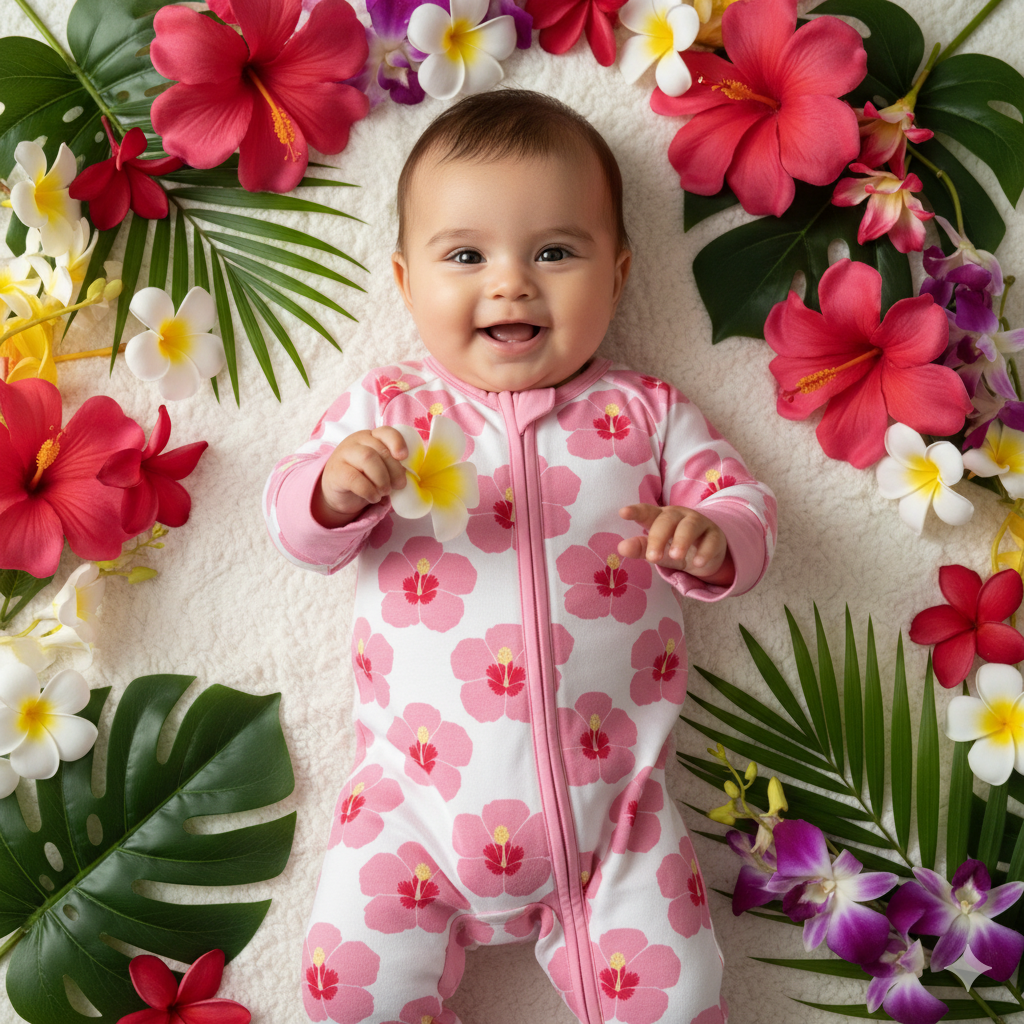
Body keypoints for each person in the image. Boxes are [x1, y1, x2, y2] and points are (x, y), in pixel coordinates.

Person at [264, 89, 776, 1024]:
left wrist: (714, 536)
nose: (511, 282)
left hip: (617, 817)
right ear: (406, 281)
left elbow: (742, 503)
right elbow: (292, 522)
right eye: (466, 255)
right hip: (414, 805)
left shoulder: (648, 415)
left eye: (555, 251)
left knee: (684, 998)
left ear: (618, 274)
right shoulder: (387, 413)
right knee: (349, 994)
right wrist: (334, 491)